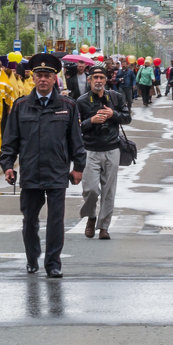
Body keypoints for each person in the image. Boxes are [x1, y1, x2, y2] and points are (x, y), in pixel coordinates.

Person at [0, 53, 86, 278]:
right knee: (29, 221)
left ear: (54, 78)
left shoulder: (67, 105)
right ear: (33, 78)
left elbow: (76, 139)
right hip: (30, 172)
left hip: (57, 171)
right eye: (39, 76)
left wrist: (78, 167)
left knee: (56, 222)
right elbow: (10, 140)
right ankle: (31, 258)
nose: (43, 80)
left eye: (48, 76)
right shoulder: (21, 106)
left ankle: (53, 263)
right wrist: (7, 165)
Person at [76, 65, 131, 240]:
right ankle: (91, 217)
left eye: (101, 78)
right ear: (90, 80)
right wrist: (90, 120)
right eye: (95, 78)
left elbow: (127, 118)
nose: (98, 81)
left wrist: (112, 114)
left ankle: (104, 226)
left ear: (106, 80)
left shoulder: (115, 97)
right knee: (90, 190)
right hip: (90, 150)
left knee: (109, 191)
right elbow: (76, 128)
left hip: (111, 149)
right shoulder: (81, 101)